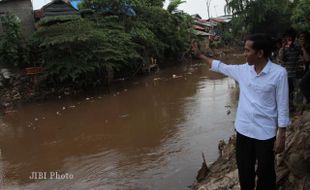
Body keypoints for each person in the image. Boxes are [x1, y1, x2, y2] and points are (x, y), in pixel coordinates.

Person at [192, 33, 290, 190]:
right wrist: (200, 56)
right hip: (243, 131)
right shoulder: (243, 70)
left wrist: (282, 134)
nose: (244, 54)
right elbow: (220, 66)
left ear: (260, 53)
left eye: (247, 50)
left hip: (265, 133)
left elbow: (283, 106)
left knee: (266, 175)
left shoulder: (279, 73)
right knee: (245, 173)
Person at [278, 29, 303, 111]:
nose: (290, 39)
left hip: (295, 74)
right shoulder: (283, 49)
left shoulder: (297, 47)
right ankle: (289, 107)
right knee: (286, 92)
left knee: (295, 91)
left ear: (294, 38)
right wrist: (283, 47)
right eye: (288, 38)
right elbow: (281, 59)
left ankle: (296, 107)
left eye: (291, 37)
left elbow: (302, 56)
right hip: (286, 75)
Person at [298, 31, 310, 104]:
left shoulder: (307, 47)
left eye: (302, 37)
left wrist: (302, 48)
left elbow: (308, 59)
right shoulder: (304, 48)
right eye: (299, 38)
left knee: (302, 83)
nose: (300, 39)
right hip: (306, 68)